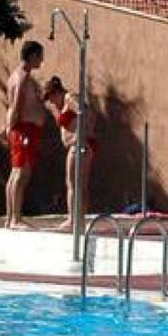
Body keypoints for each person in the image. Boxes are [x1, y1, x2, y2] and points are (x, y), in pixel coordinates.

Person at [43, 75, 97, 232]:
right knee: (80, 186)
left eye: (51, 98)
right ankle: (79, 220)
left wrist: (82, 134)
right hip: (79, 146)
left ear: (56, 92)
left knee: (73, 184)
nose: (52, 102)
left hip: (78, 146)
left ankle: (73, 219)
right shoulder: (64, 103)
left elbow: (86, 113)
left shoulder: (69, 98)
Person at [1, 40, 46, 229]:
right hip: (23, 129)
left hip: (26, 128)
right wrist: (10, 127)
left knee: (18, 173)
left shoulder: (19, 76)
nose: (42, 61)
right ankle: (14, 219)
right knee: (20, 173)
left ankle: (11, 217)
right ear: (33, 55)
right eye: (40, 56)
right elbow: (17, 104)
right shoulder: (22, 78)